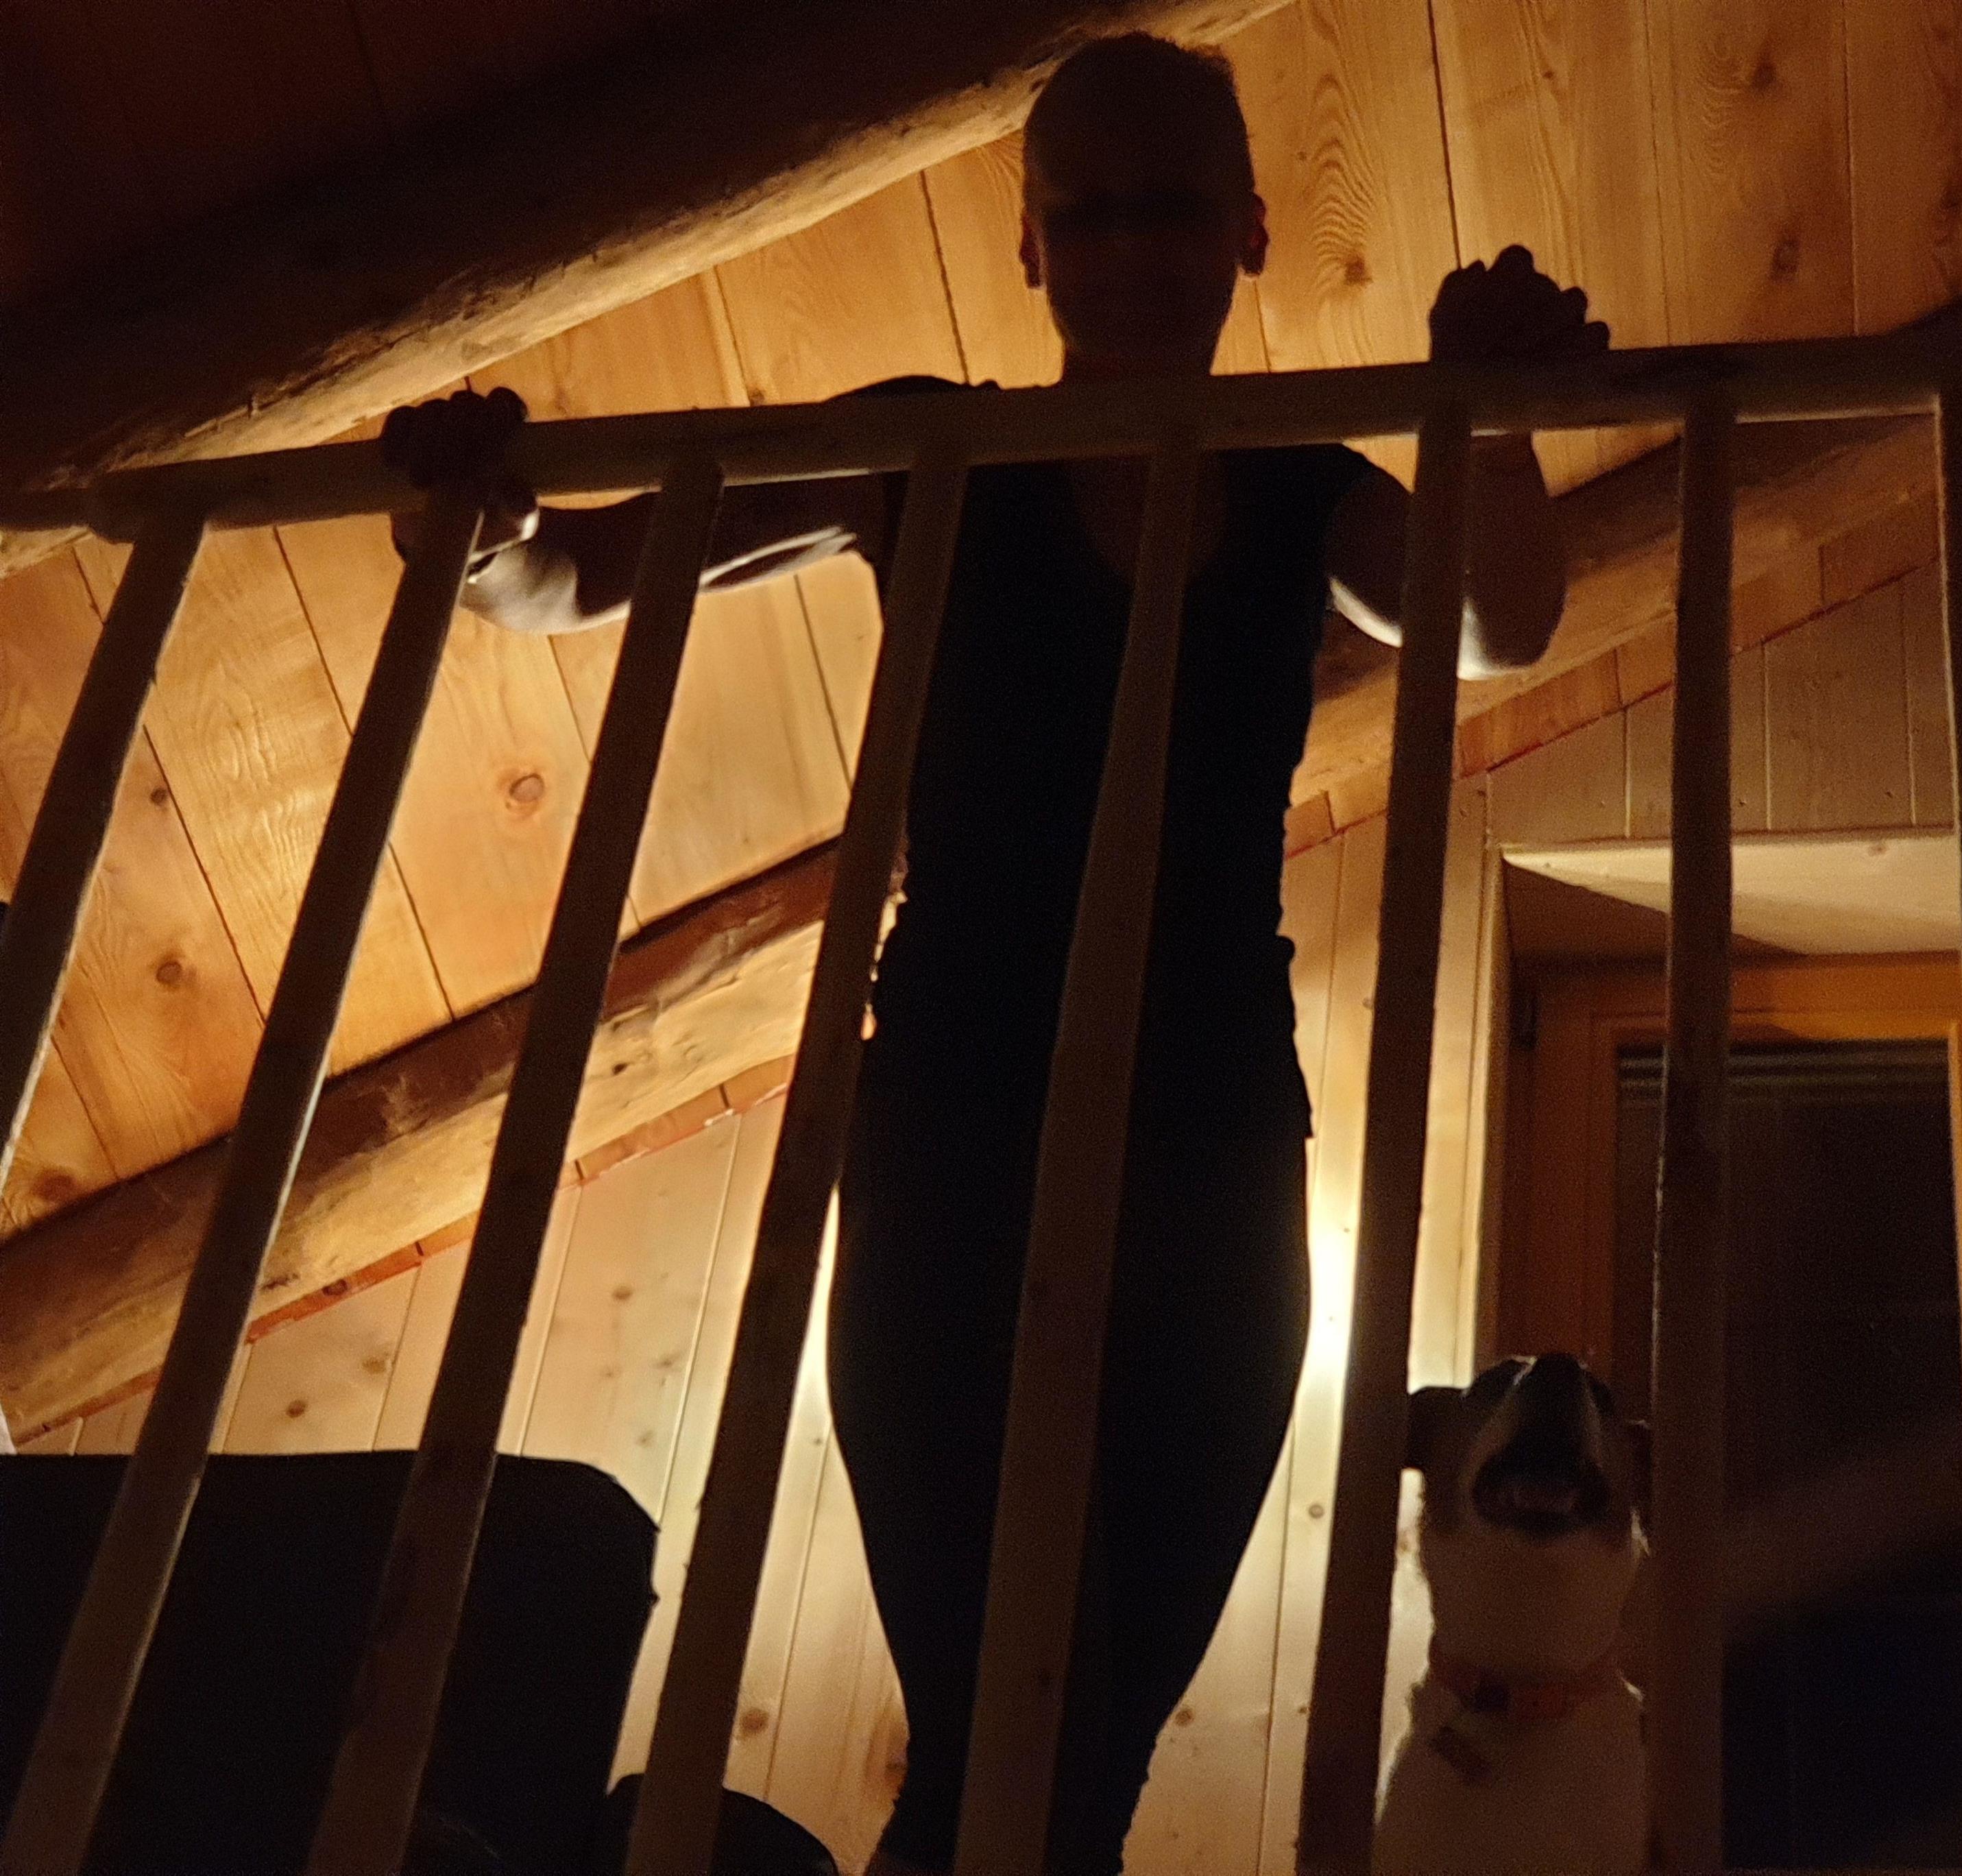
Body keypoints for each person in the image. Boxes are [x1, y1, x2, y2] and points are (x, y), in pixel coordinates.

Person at [385, 33, 1601, 1873]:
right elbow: (574, 577)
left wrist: (1488, 420)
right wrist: (471, 530)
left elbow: (1496, 620)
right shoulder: (930, 452)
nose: (1126, 250)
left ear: (1249, 230)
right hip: (953, 1143)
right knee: (1006, 1733)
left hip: (1214, 1154)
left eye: (1169, 208)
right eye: (1084, 214)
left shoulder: (1300, 487)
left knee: (1077, 1757)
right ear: (1029, 246)